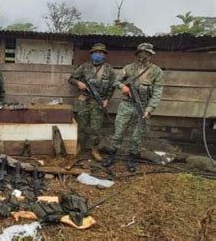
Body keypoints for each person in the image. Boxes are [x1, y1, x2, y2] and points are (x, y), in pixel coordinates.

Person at [102, 43, 164, 172]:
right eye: (141, 52)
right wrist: (122, 87)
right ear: (137, 54)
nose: (144, 55)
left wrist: (149, 109)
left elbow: (158, 92)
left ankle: (132, 159)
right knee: (118, 132)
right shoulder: (128, 68)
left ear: (151, 55)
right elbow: (116, 81)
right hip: (127, 105)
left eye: (147, 53)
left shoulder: (157, 72)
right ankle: (111, 156)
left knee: (137, 136)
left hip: (143, 106)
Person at [68, 43, 116, 161]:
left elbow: (112, 87)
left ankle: (95, 150)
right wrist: (79, 83)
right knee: (81, 125)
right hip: (84, 100)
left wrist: (106, 100)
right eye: (96, 52)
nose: (98, 55)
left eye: (100, 53)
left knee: (96, 127)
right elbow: (71, 79)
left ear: (104, 55)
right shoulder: (85, 67)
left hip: (98, 102)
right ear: (92, 54)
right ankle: (78, 146)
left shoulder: (109, 69)